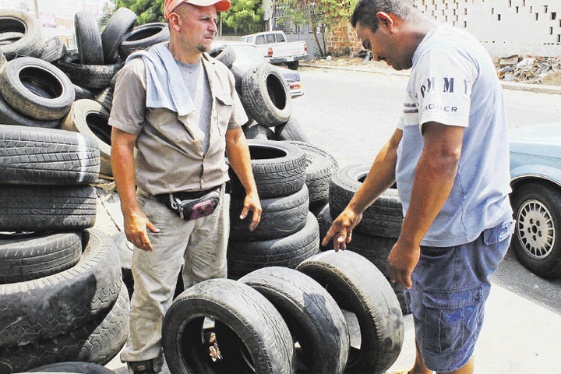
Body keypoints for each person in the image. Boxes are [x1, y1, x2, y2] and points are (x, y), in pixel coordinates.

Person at [322, 1, 514, 373]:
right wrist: (354, 208)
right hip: (442, 234)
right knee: (435, 324)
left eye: (368, 44)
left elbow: (443, 155)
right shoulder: (430, 58)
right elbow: (398, 147)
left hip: (458, 239)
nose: (373, 56)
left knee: (450, 347)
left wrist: (407, 243)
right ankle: (420, 370)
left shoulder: (442, 57)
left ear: (385, 22)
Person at [109, 0, 261, 372]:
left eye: (215, 19)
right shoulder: (142, 73)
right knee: (153, 296)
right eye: (204, 18)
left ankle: (201, 354)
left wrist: (252, 189)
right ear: (174, 20)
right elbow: (122, 145)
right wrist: (131, 212)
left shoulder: (220, 74)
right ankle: (144, 362)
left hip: (213, 204)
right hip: (162, 210)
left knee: (210, 287)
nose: (213, 26)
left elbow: (236, 136)